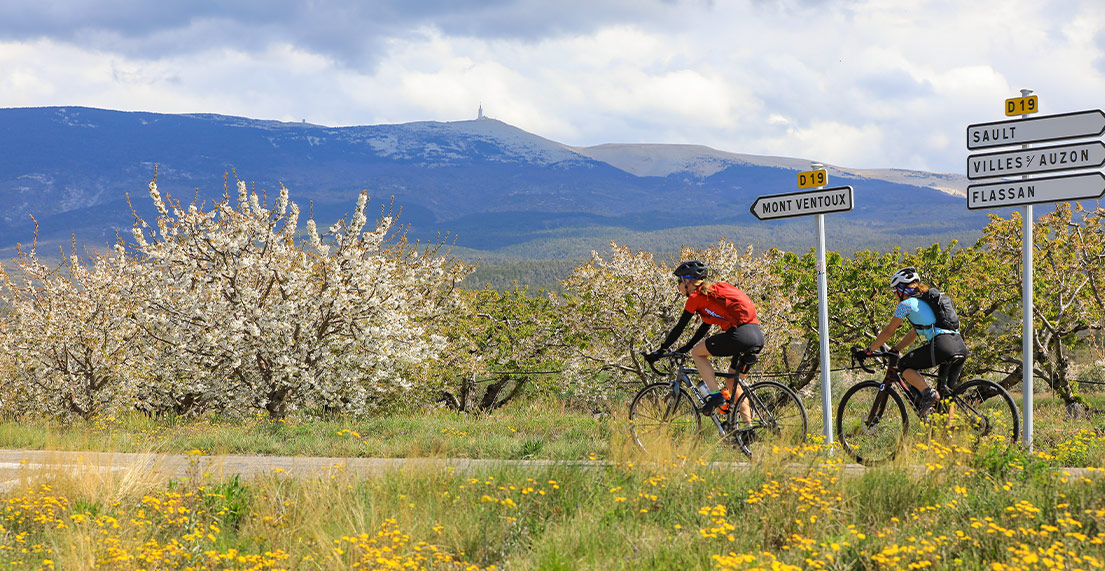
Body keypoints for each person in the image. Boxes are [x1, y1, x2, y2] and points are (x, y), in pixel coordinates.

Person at [645, 260, 764, 417]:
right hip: (756, 335)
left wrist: (661, 350)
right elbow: (704, 328)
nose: (677, 286)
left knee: (697, 353)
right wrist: (684, 348)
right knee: (732, 383)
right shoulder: (713, 294)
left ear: (687, 281)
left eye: (678, 282)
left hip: (739, 336)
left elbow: (679, 327)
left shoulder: (695, 298)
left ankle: (716, 396)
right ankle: (748, 430)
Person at [858, 267, 969, 415]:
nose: (894, 296)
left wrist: (869, 350)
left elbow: (888, 331)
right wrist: (896, 349)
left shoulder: (905, 305)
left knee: (904, 365)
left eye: (894, 292)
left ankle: (928, 393)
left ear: (901, 289)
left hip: (942, 345)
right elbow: (915, 332)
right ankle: (947, 434)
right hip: (959, 345)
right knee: (946, 397)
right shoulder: (925, 303)